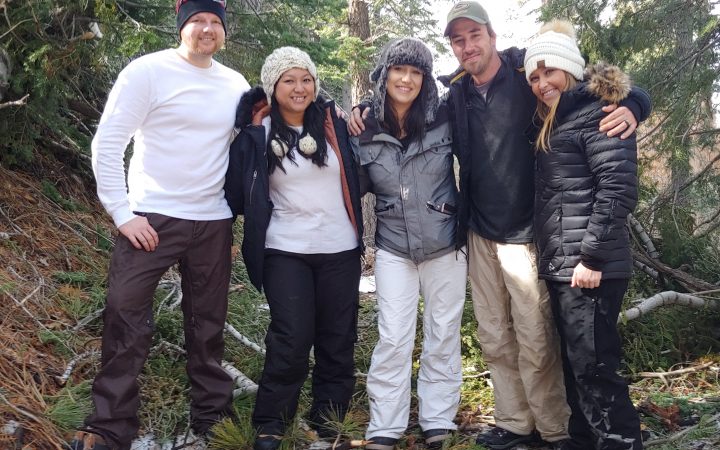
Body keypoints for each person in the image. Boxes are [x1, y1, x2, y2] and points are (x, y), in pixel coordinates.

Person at [349, 2, 651, 449]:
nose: (468, 46)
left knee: (535, 337)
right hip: (476, 233)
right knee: (494, 335)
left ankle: (553, 429)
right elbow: (403, 105)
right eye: (458, 39)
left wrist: (635, 104)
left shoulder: (525, 74)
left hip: (527, 234)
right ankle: (514, 423)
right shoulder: (455, 98)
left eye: (475, 36)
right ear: (452, 46)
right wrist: (363, 104)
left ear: (492, 36)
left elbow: (584, 84)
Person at [69, 1, 250, 449]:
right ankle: (110, 427)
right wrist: (123, 213)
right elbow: (108, 142)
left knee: (207, 325)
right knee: (125, 314)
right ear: (181, 26)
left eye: (215, 22)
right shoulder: (147, 72)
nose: (207, 29)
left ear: (224, 30)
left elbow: (246, 150)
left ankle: (212, 418)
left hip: (212, 221)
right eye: (197, 21)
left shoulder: (235, 84)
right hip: (152, 217)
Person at [224, 46, 364, 450]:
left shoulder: (333, 124)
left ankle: (329, 415)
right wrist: (246, 135)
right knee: (291, 335)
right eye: (289, 80)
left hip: (340, 247)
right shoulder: (258, 132)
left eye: (306, 79)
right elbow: (236, 190)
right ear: (272, 87)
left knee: (338, 337)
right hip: (284, 249)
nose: (299, 88)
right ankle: (271, 420)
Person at [525, 20, 643, 450]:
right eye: (534, 77)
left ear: (570, 70)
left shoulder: (600, 115)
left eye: (549, 72)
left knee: (596, 368)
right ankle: (584, 440)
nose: (541, 84)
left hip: (590, 267)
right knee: (578, 365)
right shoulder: (556, 121)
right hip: (566, 266)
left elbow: (617, 187)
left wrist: (591, 258)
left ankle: (620, 441)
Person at [351, 38, 468, 450]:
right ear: (384, 75)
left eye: (416, 72)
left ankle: (438, 419)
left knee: (442, 332)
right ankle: (386, 424)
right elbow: (351, 185)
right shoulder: (362, 127)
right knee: (394, 337)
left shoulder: (444, 116)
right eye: (399, 69)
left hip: (445, 245)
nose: (407, 79)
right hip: (393, 248)